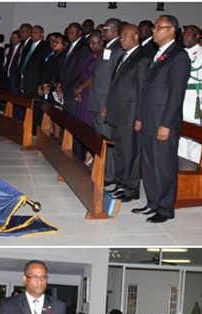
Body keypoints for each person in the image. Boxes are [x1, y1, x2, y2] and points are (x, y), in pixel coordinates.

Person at [134, 15, 190, 223]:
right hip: (149, 119)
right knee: (149, 164)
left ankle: (166, 208)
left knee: (164, 165)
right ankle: (153, 202)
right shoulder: (158, 54)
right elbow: (147, 90)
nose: (154, 31)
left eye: (159, 27)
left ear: (171, 31)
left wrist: (166, 124)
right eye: (155, 27)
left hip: (163, 121)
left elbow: (176, 95)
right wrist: (140, 117)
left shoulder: (179, 56)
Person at [106, 24, 150, 202]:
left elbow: (142, 91)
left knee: (131, 152)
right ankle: (122, 182)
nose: (122, 39)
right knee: (120, 150)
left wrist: (140, 117)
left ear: (136, 37)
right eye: (122, 36)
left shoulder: (142, 59)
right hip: (117, 112)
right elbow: (115, 85)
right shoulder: (122, 57)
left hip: (131, 114)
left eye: (125, 36)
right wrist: (108, 105)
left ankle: (132, 188)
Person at [89, 17, 123, 184]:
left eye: (106, 29)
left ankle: (110, 175)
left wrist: (108, 104)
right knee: (100, 139)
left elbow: (116, 80)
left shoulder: (118, 49)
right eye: (102, 28)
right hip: (96, 100)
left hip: (104, 103)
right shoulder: (107, 47)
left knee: (108, 140)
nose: (103, 31)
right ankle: (104, 170)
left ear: (115, 30)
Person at [178, 25, 202, 163]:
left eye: (189, 34)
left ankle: (194, 166)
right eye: (184, 33)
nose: (185, 36)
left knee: (194, 135)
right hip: (180, 97)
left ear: (197, 37)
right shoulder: (179, 54)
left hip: (194, 99)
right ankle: (181, 165)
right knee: (180, 133)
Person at [57, 22, 89, 116]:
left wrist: (64, 84)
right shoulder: (69, 47)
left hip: (73, 87)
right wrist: (59, 83)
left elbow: (78, 70)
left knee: (70, 117)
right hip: (65, 86)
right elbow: (63, 66)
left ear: (79, 33)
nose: (69, 34)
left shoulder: (84, 47)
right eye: (68, 32)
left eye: (72, 32)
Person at [75, 31, 103, 132]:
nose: (91, 45)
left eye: (94, 43)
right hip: (83, 89)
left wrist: (80, 88)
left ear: (101, 42)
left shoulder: (102, 56)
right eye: (90, 42)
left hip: (90, 90)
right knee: (80, 120)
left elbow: (95, 76)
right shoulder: (90, 55)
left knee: (88, 122)